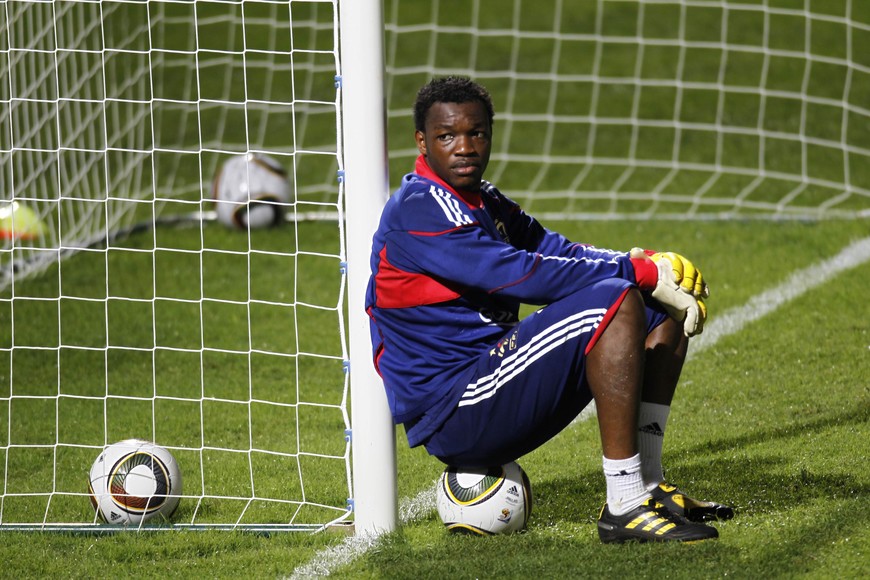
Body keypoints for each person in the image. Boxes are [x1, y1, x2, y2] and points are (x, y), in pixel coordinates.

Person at [365, 76, 733, 543]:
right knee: (616, 300)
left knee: (659, 305)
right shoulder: (418, 209)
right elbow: (519, 273)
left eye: (476, 133)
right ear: (422, 141)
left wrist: (648, 267)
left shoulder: (484, 199)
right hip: (456, 409)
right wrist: (632, 273)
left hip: (492, 376)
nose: (464, 147)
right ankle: (623, 506)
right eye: (446, 136)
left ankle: (647, 486)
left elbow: (552, 247)